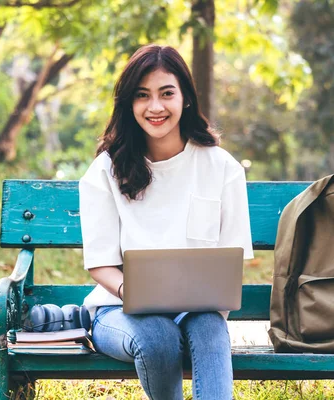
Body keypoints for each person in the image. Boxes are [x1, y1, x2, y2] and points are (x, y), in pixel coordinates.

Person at [78, 44, 254, 400]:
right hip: (118, 311)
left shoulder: (222, 168)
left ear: (185, 98)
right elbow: (100, 263)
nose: (155, 107)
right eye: (142, 96)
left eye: (166, 93)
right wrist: (136, 294)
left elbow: (232, 260)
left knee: (209, 327)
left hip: (198, 310)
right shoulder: (105, 171)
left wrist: (204, 302)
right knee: (156, 335)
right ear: (129, 103)